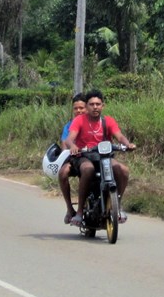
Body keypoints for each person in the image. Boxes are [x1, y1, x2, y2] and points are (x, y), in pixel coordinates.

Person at [64, 89, 135, 226]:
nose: (95, 107)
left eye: (98, 104)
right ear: (87, 106)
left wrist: (128, 144)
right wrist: (73, 146)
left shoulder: (108, 121)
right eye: (91, 104)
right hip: (84, 156)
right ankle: (79, 212)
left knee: (123, 170)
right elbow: (69, 139)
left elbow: (119, 136)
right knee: (87, 169)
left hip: (104, 157)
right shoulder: (79, 120)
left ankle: (117, 206)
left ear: (103, 106)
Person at [57, 94, 87, 224]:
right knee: (63, 173)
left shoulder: (93, 122)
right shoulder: (68, 126)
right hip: (74, 159)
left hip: (90, 158)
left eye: (82, 108)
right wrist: (70, 150)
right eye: (76, 108)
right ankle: (70, 209)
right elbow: (64, 145)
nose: (79, 111)